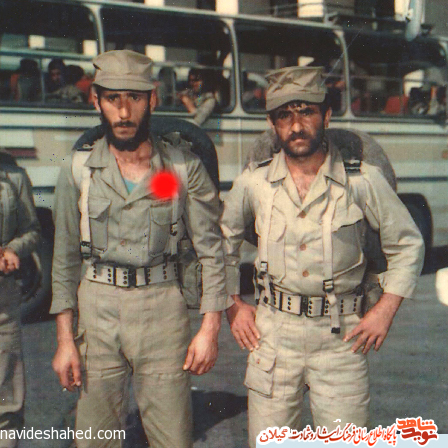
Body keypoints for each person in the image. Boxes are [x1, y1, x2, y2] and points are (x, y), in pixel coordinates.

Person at [220, 66, 425, 447]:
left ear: (327, 116)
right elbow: (222, 245)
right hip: (273, 337)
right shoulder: (254, 182)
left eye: (307, 112)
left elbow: (408, 244)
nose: (296, 126)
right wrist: (233, 305)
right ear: (272, 124)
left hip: (341, 340)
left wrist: (385, 310)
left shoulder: (362, 180)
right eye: (285, 115)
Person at [50, 50, 230, 448]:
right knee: (95, 439)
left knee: (172, 438)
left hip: (162, 311)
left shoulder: (181, 168)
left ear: (153, 99)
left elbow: (212, 252)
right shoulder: (79, 169)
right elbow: (64, 260)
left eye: (134, 97)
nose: (123, 111)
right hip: (97, 312)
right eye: (112, 98)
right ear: (95, 100)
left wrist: (210, 329)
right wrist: (65, 340)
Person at [0, 154, 40, 447]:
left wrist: (14, 248)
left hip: (3, 301)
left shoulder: (13, 177)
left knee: (7, 400)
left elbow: (32, 230)